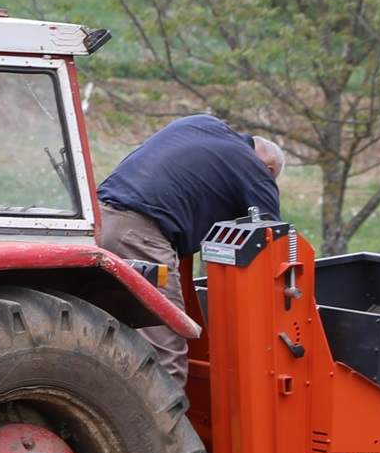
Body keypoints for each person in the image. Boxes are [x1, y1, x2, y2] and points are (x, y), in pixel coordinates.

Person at [94, 115, 284, 382]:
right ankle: (164, 425)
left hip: (100, 222)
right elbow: (274, 238)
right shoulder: (255, 169)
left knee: (112, 338)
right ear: (269, 168)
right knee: (165, 349)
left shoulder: (199, 124)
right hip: (140, 234)